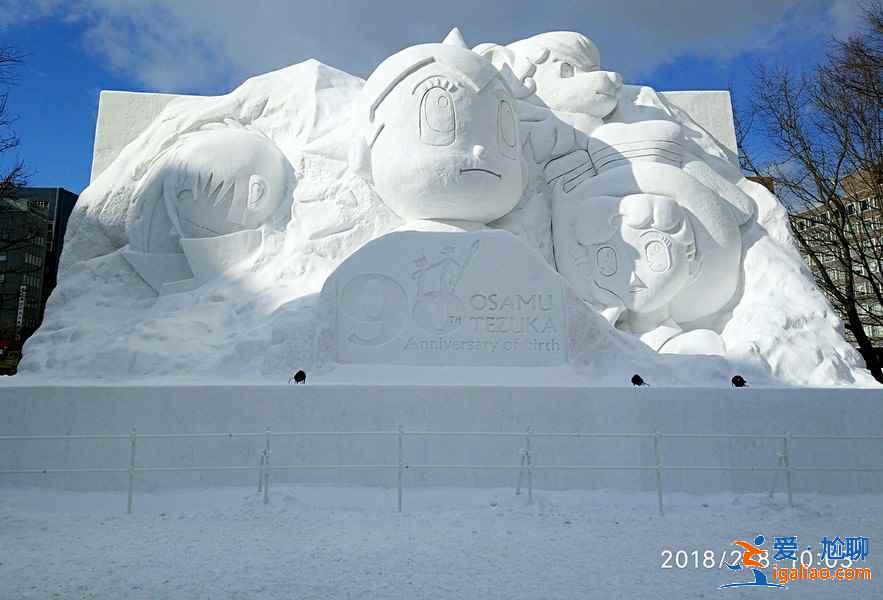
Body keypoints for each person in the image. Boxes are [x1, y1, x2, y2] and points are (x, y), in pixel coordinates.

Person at [349, 29, 526, 231]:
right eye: (439, 107)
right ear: (362, 156)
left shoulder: (507, 244)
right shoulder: (397, 244)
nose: (480, 150)